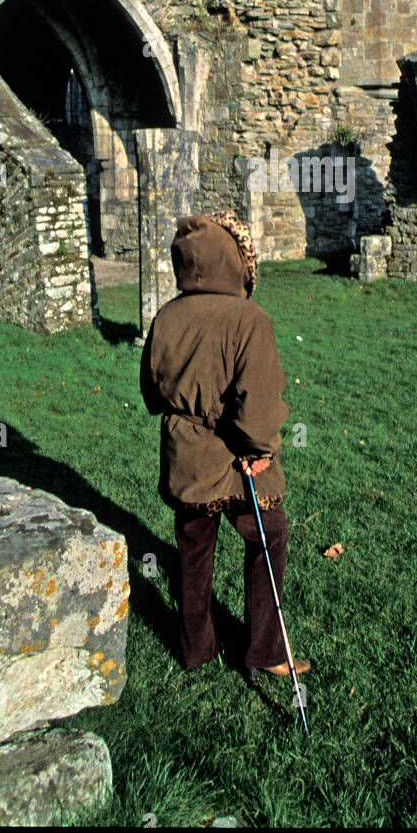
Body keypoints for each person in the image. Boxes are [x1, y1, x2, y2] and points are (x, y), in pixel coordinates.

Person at [140, 210, 310, 680]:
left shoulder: (165, 318)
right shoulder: (248, 318)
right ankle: (265, 649)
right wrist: (260, 448)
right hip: (240, 460)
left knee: (193, 554)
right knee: (269, 538)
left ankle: (197, 647)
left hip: (187, 459)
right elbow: (258, 399)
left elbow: (152, 395)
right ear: (233, 261)